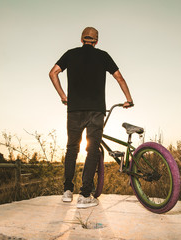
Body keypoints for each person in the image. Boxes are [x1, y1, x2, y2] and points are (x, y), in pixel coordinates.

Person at [49, 27, 133, 208]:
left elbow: (53, 73)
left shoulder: (70, 54)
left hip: (74, 110)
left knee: (72, 148)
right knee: (92, 149)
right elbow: (119, 77)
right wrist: (128, 99)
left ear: (82, 39)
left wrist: (64, 96)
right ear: (96, 41)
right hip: (96, 110)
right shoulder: (103, 56)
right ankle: (85, 195)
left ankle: (67, 191)